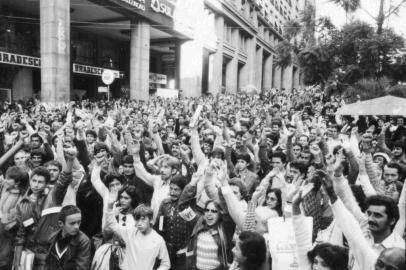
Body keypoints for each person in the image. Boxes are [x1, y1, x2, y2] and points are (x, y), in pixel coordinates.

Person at [105, 198, 170, 270]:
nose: (139, 223)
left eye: (143, 219)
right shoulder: (130, 232)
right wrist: (109, 206)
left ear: (151, 220)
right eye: (137, 219)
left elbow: (166, 264)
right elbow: (112, 225)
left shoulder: (158, 240)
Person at [45, 205, 91, 270]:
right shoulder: (52, 238)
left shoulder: (83, 241)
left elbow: (82, 268)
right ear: (61, 223)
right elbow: (46, 263)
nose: (76, 227)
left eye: (79, 222)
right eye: (72, 223)